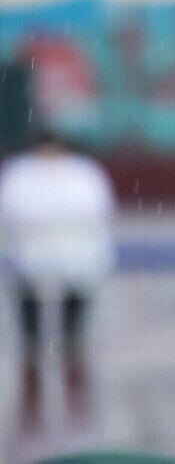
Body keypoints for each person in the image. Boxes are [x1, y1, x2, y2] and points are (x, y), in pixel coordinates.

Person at [0, 131, 117, 430]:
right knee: (29, 310)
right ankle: (33, 356)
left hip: (76, 254)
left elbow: (97, 211)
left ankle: (71, 351)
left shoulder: (83, 174)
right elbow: (12, 213)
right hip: (30, 253)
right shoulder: (20, 174)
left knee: (73, 312)